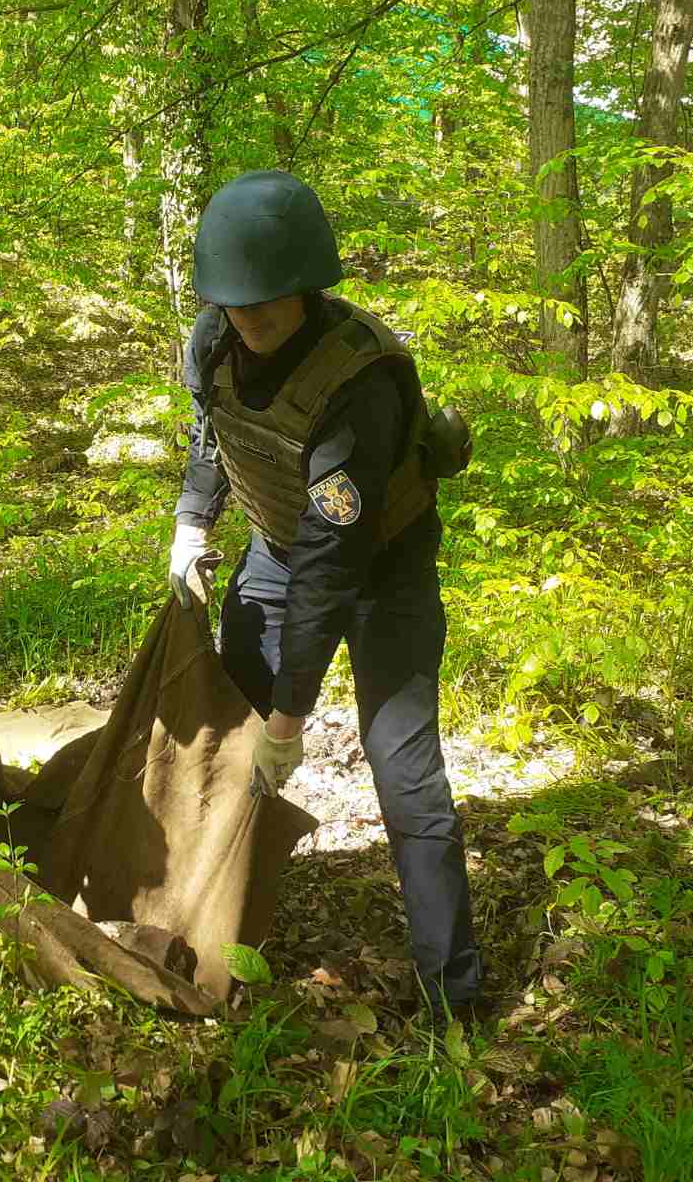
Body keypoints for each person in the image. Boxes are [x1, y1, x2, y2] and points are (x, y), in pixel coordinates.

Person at [167, 170, 483, 1014]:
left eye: (269, 300)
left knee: (404, 772)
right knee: (223, 739)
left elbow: (331, 565)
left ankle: (452, 992)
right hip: (276, 552)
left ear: (308, 286)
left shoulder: (359, 381)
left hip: (384, 571)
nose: (251, 317)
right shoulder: (214, 339)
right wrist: (192, 522)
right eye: (235, 301)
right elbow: (213, 430)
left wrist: (289, 719)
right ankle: (211, 935)